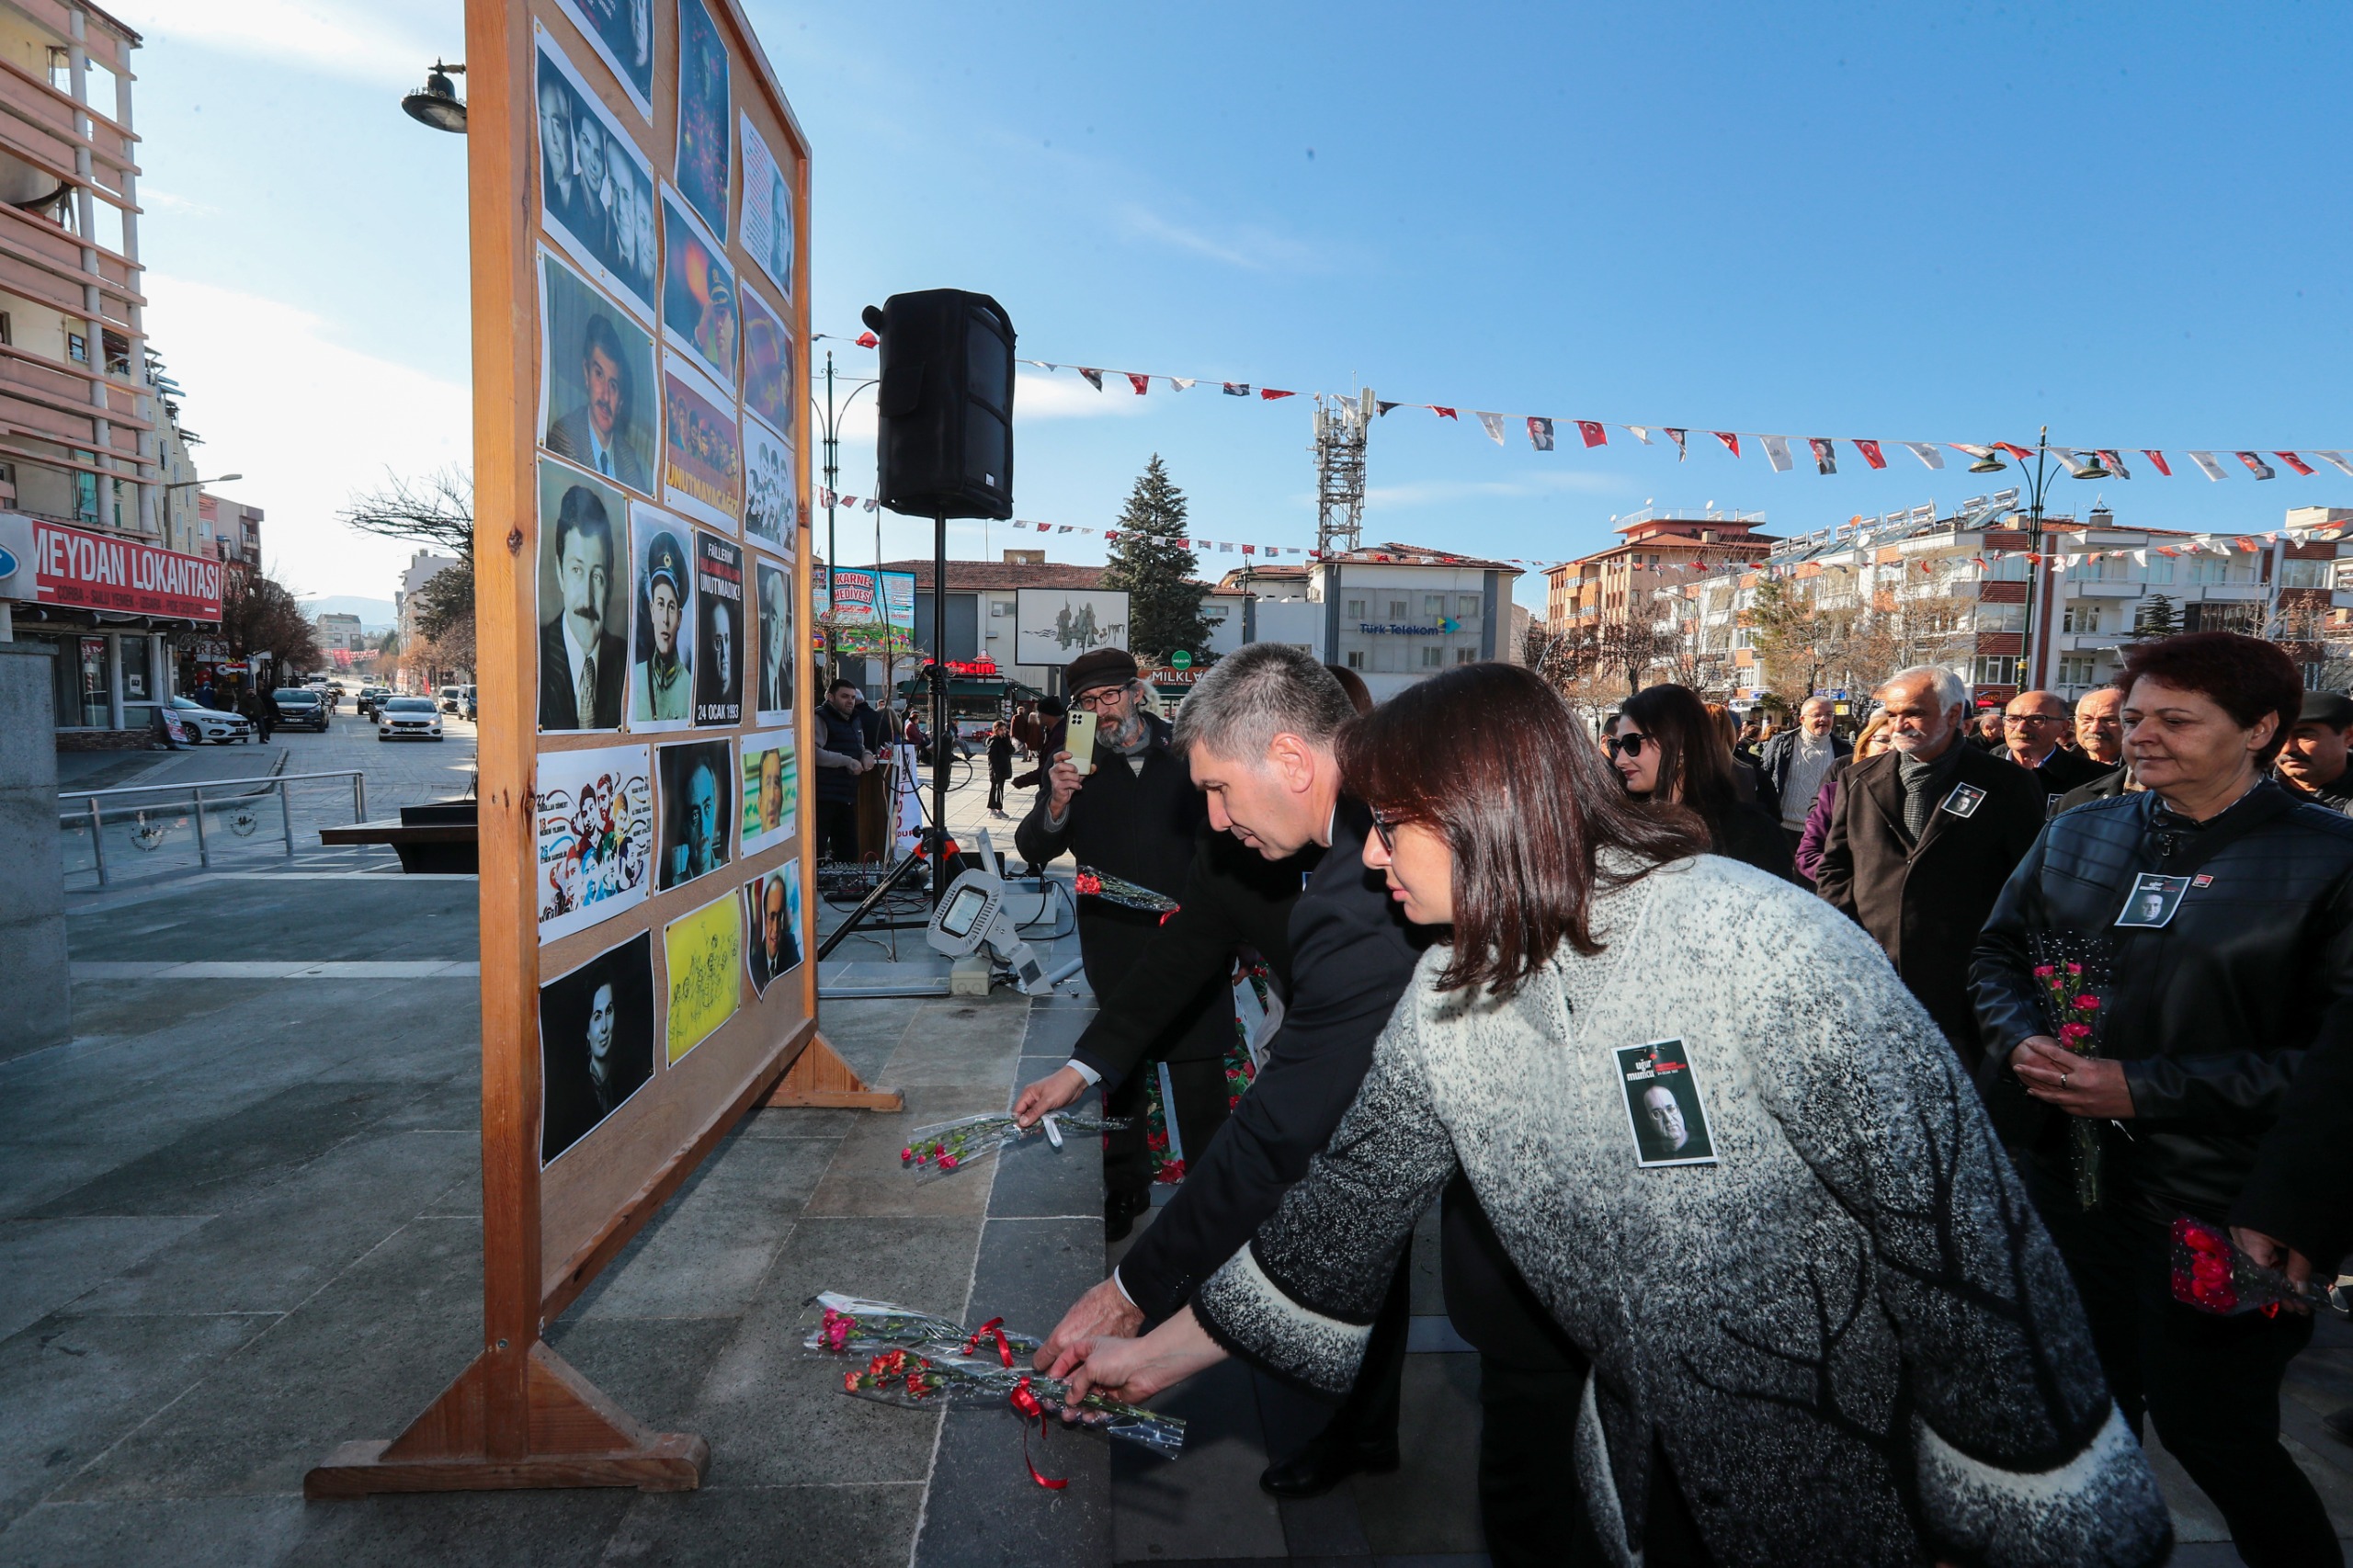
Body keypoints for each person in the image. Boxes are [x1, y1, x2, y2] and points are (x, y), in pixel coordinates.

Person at [1061, 663, 2170, 1568]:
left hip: (1851, 1470)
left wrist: (2037, 1518)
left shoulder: (1760, 946)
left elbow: (1964, 1244)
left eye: (1391, 824)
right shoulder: (1451, 994)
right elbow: (1342, 1209)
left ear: (1481, 811)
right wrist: (1154, 1353)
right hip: (1641, 1461)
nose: (1364, 853)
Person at [1019, 649, 1591, 1551]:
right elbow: (1351, 1202)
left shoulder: (1374, 888)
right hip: (1466, 1203)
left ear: (1289, 759)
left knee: (1550, 1498)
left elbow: (1288, 1129)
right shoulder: (1369, 879)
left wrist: (1132, 1296)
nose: (1369, 854)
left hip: (1581, 1287)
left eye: (1214, 788)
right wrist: (1087, 1068)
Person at [1972, 631, 2353, 1568]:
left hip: (2234, 1206)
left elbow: (2335, 1062)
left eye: (2174, 719)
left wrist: (2139, 1089)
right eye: (2134, 714)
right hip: (2068, 1184)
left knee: (2213, 1430)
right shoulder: (2078, 825)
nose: (2140, 734)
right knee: (2083, 1413)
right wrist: (2020, 1033)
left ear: (2261, 727)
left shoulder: (2330, 858)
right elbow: (1995, 955)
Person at [1014, 647, 1232, 1240]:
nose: (1102, 711)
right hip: (1112, 939)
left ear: (1137, 692)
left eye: (1111, 696)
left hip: (1194, 936)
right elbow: (1034, 847)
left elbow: (1230, 841)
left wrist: (1238, 937)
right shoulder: (1073, 758)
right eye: (1088, 702)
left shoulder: (1187, 747)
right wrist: (1057, 801)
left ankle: (1213, 1203)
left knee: (1199, 1074)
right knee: (1119, 1077)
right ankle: (1124, 1189)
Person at [1813, 665, 2043, 1071]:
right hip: (1873, 974)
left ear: (1954, 715)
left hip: (1962, 985)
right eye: (1892, 713)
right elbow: (1835, 867)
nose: (1900, 724)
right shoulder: (1857, 779)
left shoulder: (2007, 784)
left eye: (1914, 713)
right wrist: (1848, 940)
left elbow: (2023, 882)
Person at [1607, 683, 1794, 880]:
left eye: (1631, 743)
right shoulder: (1623, 824)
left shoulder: (1751, 833)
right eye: (1616, 746)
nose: (1620, 760)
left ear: (1679, 744)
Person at [538, 485, 628, 732]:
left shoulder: (629, 662)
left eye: (597, 575)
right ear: (560, 572)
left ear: (610, 582)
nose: (587, 600)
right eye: (577, 570)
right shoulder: (535, 659)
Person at [546, 314, 650, 489]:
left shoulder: (629, 460)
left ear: (621, 403)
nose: (605, 396)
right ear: (586, 375)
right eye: (599, 375)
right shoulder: (565, 437)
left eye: (613, 385)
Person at [1792, 708, 1891, 882]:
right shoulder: (1836, 791)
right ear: (1865, 745)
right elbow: (1808, 855)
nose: (1892, 749)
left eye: (1899, 742)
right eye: (1884, 740)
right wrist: (1850, 882)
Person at [1757, 694, 1848, 856]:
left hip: (1818, 832)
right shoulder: (1781, 743)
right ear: (1802, 719)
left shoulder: (1843, 750)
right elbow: (1762, 779)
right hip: (1780, 828)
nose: (1824, 719)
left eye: (1829, 714)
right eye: (1817, 715)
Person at [813, 679, 878, 863]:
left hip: (846, 796)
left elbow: (860, 746)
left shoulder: (855, 719)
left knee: (849, 851)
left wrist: (867, 754)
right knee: (817, 851)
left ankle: (846, 887)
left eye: (852, 697)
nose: (850, 701)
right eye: (844, 696)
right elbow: (813, 752)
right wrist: (847, 761)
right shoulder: (821, 717)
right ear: (830, 697)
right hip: (823, 796)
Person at [2004, 689, 2109, 799]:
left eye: (2037, 719)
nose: (2021, 728)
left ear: (2064, 727)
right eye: (2013, 719)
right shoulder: (1986, 770)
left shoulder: (2098, 779)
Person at [631, 531, 690, 722]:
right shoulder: (636, 678)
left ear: (679, 618)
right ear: (652, 611)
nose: (665, 618)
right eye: (660, 605)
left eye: (671, 607)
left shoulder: (689, 687)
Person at [2274, 687, 2353, 812]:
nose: (2287, 749)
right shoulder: (2246, 789)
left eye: (2304, 736)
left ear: (2348, 737)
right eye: (2280, 738)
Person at [984, 720, 1014, 816]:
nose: (1003, 731)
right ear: (996, 730)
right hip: (996, 770)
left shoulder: (1003, 740)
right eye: (1001, 730)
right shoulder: (994, 741)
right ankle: (993, 809)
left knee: (1000, 789)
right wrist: (995, 771)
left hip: (1003, 768)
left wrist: (1007, 739)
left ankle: (998, 808)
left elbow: (1011, 750)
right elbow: (991, 757)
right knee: (995, 789)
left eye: (1005, 730)